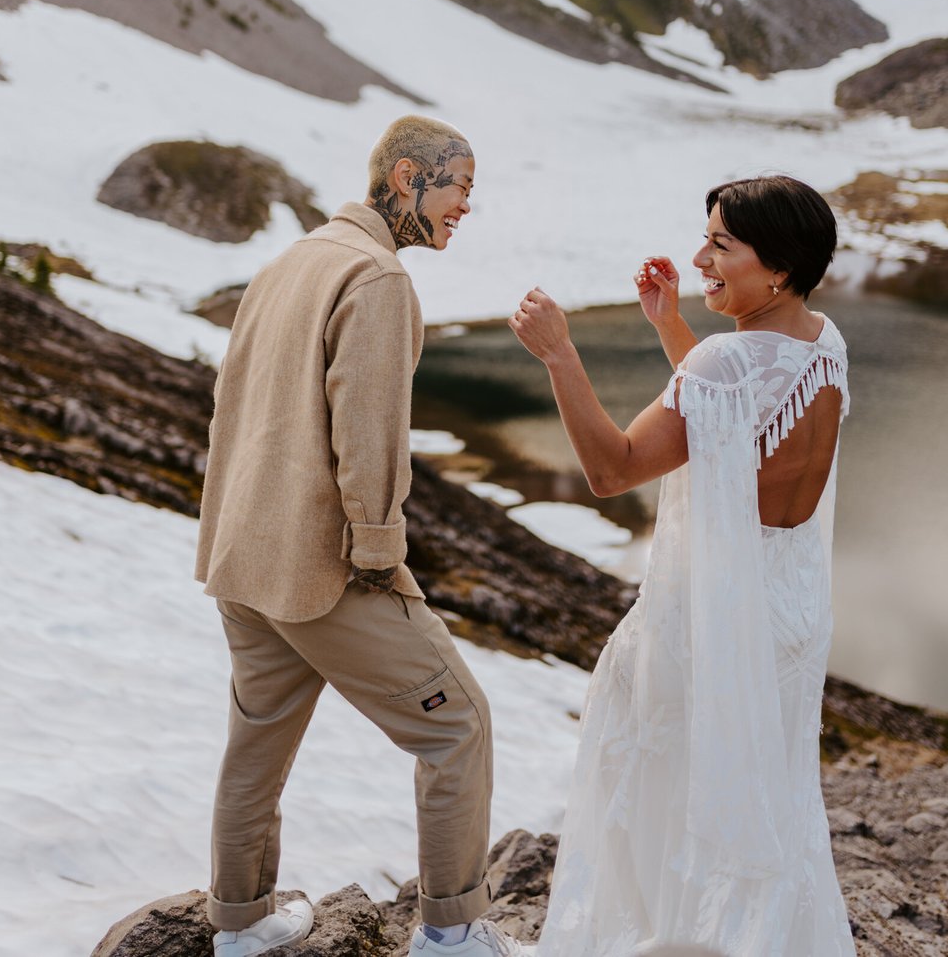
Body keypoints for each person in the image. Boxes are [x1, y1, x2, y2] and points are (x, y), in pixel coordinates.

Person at [196, 114, 531, 957]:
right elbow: (369, 435)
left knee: (256, 745)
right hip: (323, 569)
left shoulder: (291, 262)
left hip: (244, 558)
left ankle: (240, 929)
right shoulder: (376, 277)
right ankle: (453, 934)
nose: (464, 208)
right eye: (458, 188)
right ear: (410, 176)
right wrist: (381, 559)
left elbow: (228, 407)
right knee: (458, 725)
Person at [509, 175, 855, 956]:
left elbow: (612, 470)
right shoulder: (822, 342)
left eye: (721, 245)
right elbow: (737, 412)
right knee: (762, 803)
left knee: (667, 800)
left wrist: (560, 354)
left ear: (779, 268)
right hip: (787, 620)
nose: (700, 256)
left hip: (708, 624)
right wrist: (671, 328)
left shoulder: (727, 364)